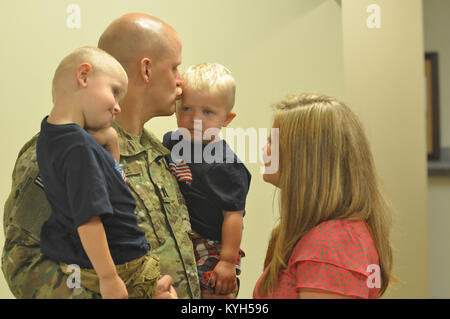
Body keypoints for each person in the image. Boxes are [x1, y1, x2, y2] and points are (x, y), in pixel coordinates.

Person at [2, 13, 200, 299]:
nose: (181, 82)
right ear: (146, 69)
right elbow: (24, 263)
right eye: (175, 68)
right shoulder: (58, 151)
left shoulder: (158, 154)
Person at [36, 46, 166, 299]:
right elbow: (88, 219)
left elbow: (105, 182)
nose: (118, 106)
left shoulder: (51, 135)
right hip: (119, 264)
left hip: (86, 261)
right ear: (84, 76)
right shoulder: (79, 148)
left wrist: (110, 141)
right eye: (114, 92)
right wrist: (109, 278)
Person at [253, 93, 394, 299]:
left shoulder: (332, 243)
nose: (264, 149)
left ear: (306, 158)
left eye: (273, 141)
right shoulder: (324, 235)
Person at [162, 63, 251, 299]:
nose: (194, 119)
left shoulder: (224, 165)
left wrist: (228, 262)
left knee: (212, 290)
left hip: (216, 242)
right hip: (183, 237)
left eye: (208, 112)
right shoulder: (171, 142)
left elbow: (233, 216)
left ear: (227, 118)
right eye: (187, 108)